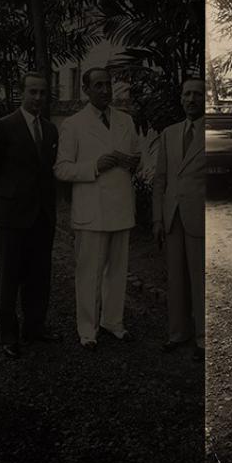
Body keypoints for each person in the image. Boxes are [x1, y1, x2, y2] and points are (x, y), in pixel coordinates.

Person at [54, 67, 141, 350]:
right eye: (99, 85)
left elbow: (137, 158)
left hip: (120, 207)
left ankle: (112, 321)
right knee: (89, 273)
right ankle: (87, 329)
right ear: (86, 90)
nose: (105, 90)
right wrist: (94, 166)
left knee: (117, 271)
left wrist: (132, 162)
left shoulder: (125, 121)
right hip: (92, 211)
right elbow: (62, 169)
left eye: (108, 84)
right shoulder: (74, 124)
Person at [0, 72, 61, 359]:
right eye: (32, 92)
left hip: (41, 216)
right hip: (12, 217)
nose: (38, 98)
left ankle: (34, 328)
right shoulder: (4, 126)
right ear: (22, 93)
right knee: (10, 277)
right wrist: (5, 200)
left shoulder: (50, 130)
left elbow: (47, 173)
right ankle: (8, 335)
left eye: (42, 93)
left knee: (39, 275)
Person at [152, 78, 206, 362]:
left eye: (197, 94)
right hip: (172, 216)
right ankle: (177, 333)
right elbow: (160, 179)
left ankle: (203, 338)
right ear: (180, 98)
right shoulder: (169, 134)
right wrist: (157, 219)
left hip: (199, 217)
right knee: (175, 279)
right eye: (187, 94)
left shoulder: (212, 133)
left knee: (199, 279)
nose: (191, 99)